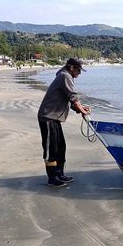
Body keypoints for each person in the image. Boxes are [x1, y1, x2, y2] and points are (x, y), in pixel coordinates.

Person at [37, 58, 91, 187]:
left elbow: (68, 99)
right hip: (48, 117)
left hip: (54, 118)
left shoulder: (64, 76)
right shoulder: (65, 76)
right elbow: (73, 97)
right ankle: (52, 178)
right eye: (78, 70)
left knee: (61, 147)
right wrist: (82, 110)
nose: (79, 73)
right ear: (71, 67)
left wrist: (81, 109)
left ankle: (60, 174)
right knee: (52, 149)